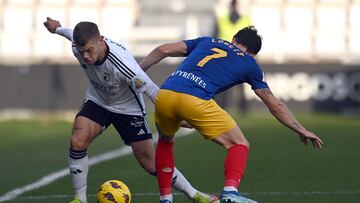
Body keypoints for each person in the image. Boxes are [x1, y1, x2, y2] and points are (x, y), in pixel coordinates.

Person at [139, 26, 324, 203]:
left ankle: (165, 199)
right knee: (239, 144)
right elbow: (274, 105)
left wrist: (137, 71)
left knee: (165, 142)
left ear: (234, 40)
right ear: (253, 53)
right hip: (194, 99)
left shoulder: (206, 41)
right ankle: (230, 191)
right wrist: (300, 129)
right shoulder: (250, 64)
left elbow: (163, 50)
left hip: (165, 93)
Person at [43, 17, 219, 203]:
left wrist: (176, 115)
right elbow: (69, 33)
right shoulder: (77, 45)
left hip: (128, 108)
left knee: (150, 163)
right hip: (98, 100)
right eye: (81, 51)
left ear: (100, 41)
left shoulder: (124, 65)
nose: (85, 56)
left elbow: (152, 91)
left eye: (89, 50)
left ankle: (195, 195)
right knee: (77, 141)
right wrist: (57, 28)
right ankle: (79, 199)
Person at [213, 0, 251, 109]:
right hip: (224, 58)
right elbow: (214, 38)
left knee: (241, 85)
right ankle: (223, 107)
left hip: (240, 58)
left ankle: (243, 109)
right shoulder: (221, 21)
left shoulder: (245, 19)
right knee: (224, 86)